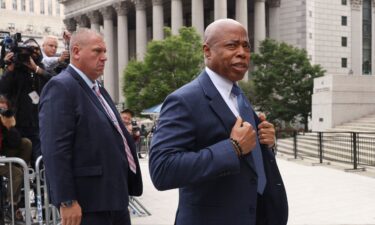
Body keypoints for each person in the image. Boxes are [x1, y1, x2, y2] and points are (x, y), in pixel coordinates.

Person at [149, 19, 288, 225]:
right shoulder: (184, 100)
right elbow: (163, 170)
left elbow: (249, 159)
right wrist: (232, 148)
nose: (242, 52)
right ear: (207, 51)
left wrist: (266, 143)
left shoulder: (239, 96)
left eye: (246, 46)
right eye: (232, 45)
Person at [39, 28, 142, 225]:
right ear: (76, 52)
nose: (104, 58)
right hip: (87, 205)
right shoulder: (61, 87)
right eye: (97, 51)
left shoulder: (98, 89)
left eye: (105, 52)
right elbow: (55, 149)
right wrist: (67, 200)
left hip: (114, 199)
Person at [0, 38, 52, 168]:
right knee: (19, 163)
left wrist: (36, 69)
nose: (28, 55)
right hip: (17, 124)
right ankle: (22, 186)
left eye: (34, 50)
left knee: (39, 161)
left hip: (38, 123)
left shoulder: (41, 68)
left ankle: (38, 184)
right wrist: (10, 68)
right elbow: (3, 89)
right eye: (27, 51)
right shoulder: (15, 69)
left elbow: (54, 83)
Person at [0, 95, 32, 222]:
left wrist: (9, 128)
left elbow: (16, 142)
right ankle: (11, 206)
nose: (2, 111)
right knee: (17, 174)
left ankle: (17, 178)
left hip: (4, 157)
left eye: (4, 108)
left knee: (26, 143)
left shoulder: (6, 121)